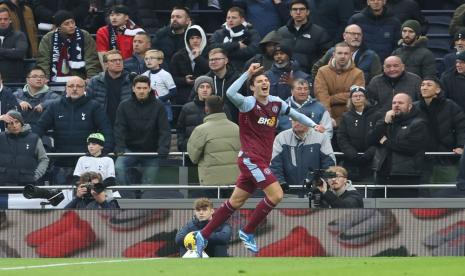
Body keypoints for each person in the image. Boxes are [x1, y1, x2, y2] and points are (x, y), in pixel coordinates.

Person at [194, 63, 324, 256]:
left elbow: (296, 114)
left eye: (266, 81)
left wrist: (314, 125)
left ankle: (203, 234)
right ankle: (247, 231)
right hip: (250, 159)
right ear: (253, 87)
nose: (265, 83)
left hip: (261, 160)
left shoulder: (276, 103)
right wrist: (248, 72)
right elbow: (230, 92)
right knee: (276, 195)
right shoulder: (247, 103)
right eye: (259, 82)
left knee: (235, 202)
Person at [34, 76, 114, 185]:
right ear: (66, 88)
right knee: (60, 195)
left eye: (79, 86)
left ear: (84, 88)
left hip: (87, 159)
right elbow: (40, 127)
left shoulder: (94, 106)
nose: (75, 89)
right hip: (61, 159)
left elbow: (106, 128)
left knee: (86, 193)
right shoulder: (55, 106)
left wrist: (106, 149)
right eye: (71, 86)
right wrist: (32, 145)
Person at [114, 75, 171, 196]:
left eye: (144, 88)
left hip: (152, 152)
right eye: (139, 88)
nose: (141, 91)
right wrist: (119, 146)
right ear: (133, 88)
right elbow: (119, 128)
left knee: (149, 182)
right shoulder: (124, 105)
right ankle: (128, 196)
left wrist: (163, 148)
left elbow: (164, 129)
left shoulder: (159, 106)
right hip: (129, 149)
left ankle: (144, 202)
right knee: (118, 168)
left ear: (149, 89)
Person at [368, 93, 428, 198]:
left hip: (406, 174)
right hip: (382, 174)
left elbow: (409, 147)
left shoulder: (419, 123)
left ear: (410, 106)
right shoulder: (385, 121)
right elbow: (370, 140)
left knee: (403, 211)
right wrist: (385, 123)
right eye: (394, 103)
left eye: (400, 103)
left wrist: (385, 142)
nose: (396, 105)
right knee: (378, 211)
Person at [270, 110, 336, 196]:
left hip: (315, 192)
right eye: (294, 120)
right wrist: (281, 183)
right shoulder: (281, 137)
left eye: (300, 120)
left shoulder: (322, 137)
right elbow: (275, 165)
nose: (296, 123)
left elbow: (329, 164)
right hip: (287, 192)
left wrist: (320, 184)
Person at [187, 95, 240, 191]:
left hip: (210, 181)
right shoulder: (236, 128)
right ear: (223, 108)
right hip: (234, 181)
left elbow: (193, 157)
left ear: (206, 108)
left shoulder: (201, 130)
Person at [37, 10, 101, 82]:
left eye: (72, 22)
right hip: (54, 79)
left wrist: (91, 77)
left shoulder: (84, 35)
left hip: (81, 78)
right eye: (66, 24)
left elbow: (91, 59)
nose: (71, 26)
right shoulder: (48, 38)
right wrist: (45, 77)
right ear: (59, 27)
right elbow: (43, 60)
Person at [314, 42, 365, 126]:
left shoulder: (358, 73)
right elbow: (322, 96)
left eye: (346, 53)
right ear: (334, 54)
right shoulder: (322, 71)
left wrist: (332, 98)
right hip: (328, 118)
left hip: (350, 119)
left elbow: (356, 96)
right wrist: (328, 118)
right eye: (340, 53)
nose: (343, 56)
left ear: (350, 55)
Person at [311, 24, 382, 84]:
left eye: (359, 34)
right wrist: (321, 87)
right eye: (353, 34)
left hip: (360, 96)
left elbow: (377, 80)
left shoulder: (371, 56)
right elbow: (316, 69)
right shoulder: (332, 52)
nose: (356, 37)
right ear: (344, 36)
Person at [337, 85, 381, 182]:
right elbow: (342, 138)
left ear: (365, 98)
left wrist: (368, 154)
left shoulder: (376, 115)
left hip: (371, 160)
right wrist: (352, 154)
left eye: (360, 95)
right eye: (355, 96)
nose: (358, 98)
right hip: (351, 161)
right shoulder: (346, 117)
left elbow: (380, 136)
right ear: (350, 99)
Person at [277, 0, 332, 74]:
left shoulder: (319, 32)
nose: (298, 12)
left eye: (302, 9)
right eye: (295, 9)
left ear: (307, 12)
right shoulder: (281, 32)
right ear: (290, 13)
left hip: (308, 75)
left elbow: (325, 55)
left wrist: (314, 69)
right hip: (284, 75)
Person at [0, 110, 49, 186]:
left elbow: (43, 159)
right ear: (6, 125)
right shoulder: (1, 137)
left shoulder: (34, 138)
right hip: (3, 185)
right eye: (10, 123)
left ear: (22, 123)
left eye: (17, 122)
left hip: (27, 185)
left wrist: (35, 176)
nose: (14, 125)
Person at [86, 49, 133, 126]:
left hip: (126, 124)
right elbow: (88, 104)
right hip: (102, 124)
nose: (118, 62)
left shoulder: (131, 80)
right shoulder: (95, 81)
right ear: (105, 64)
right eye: (113, 60)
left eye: (120, 60)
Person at [210, 6, 260, 71]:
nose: (230, 20)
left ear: (242, 20)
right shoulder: (218, 33)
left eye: (234, 18)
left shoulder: (251, 33)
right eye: (228, 18)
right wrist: (236, 44)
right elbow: (212, 48)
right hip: (222, 70)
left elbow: (252, 51)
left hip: (244, 70)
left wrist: (225, 54)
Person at [170, 25, 209, 105]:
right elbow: (172, 78)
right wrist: (184, 80)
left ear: (203, 38)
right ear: (187, 40)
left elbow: (210, 70)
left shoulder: (210, 52)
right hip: (184, 91)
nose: (195, 41)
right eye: (192, 38)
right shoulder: (178, 56)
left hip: (206, 90)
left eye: (198, 38)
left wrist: (198, 57)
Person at [177, 76, 214, 152]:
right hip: (191, 151)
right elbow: (180, 129)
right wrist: (183, 145)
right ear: (196, 89)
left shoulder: (220, 107)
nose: (205, 90)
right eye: (201, 87)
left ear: (212, 90)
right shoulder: (187, 108)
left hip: (212, 151)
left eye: (208, 87)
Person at [142, 49, 177, 123]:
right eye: (146, 59)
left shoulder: (165, 74)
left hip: (163, 105)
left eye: (152, 58)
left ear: (160, 61)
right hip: (148, 106)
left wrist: (160, 99)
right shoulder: (144, 75)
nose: (148, 61)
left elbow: (173, 91)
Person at [0, 7, 27, 83]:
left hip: (14, 81)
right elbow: (15, 53)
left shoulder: (19, 35)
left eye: (5, 19)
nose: (2, 22)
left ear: (10, 20)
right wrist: (11, 51)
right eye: (0, 19)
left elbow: (19, 53)